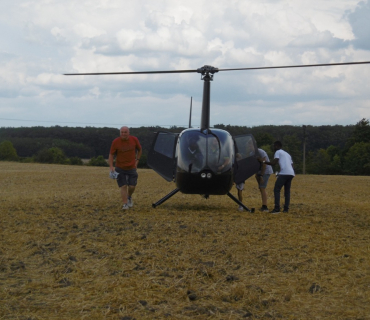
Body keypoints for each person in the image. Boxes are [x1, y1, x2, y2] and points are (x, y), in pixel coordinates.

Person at [109, 126, 142, 210]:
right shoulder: (115, 142)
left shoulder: (134, 140)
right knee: (123, 186)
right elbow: (111, 154)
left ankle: (129, 197)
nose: (123, 134)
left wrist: (137, 160)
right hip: (120, 168)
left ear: (128, 133)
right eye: (122, 132)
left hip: (131, 168)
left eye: (125, 132)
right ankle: (125, 204)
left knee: (132, 186)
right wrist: (111, 166)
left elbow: (140, 149)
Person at [262, 141, 295, 214]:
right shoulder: (287, 154)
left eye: (274, 146)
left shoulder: (278, 152)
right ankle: (286, 209)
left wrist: (264, 162)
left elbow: (273, 163)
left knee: (277, 189)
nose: (273, 147)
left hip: (284, 173)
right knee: (287, 191)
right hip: (291, 173)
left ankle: (277, 208)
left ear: (277, 146)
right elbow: (291, 165)